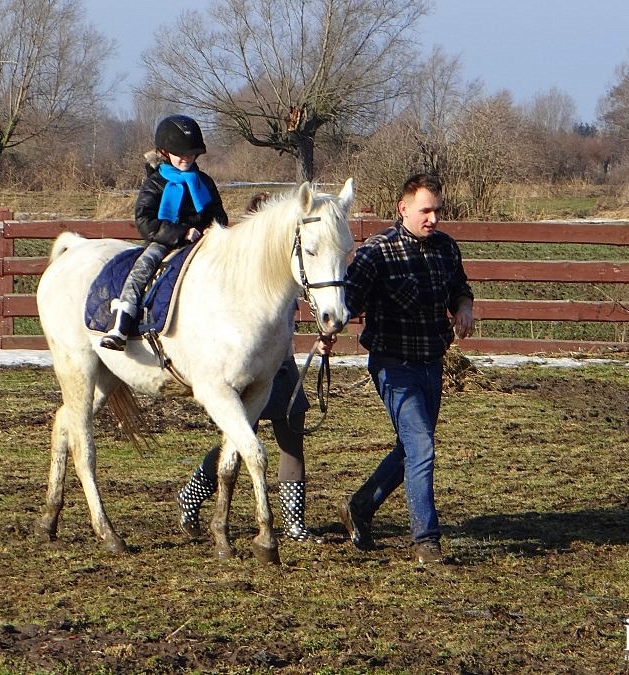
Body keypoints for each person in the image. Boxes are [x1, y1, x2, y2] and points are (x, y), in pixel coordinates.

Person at [337, 173, 475, 563]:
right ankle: (426, 540)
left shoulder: (446, 248)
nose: (433, 219)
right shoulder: (376, 252)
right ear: (403, 208)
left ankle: (360, 507)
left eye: (437, 211)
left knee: (412, 449)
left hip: (433, 362)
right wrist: (328, 330)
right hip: (392, 364)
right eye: (425, 210)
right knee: (422, 447)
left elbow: (459, 287)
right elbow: (347, 300)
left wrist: (464, 306)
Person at [175, 192, 319, 543]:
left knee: (291, 442)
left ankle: (294, 522)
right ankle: (192, 495)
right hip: (249, 371)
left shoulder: (285, 273)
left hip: (281, 368)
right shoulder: (243, 276)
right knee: (237, 443)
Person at [100, 114, 228, 350]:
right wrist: (181, 232)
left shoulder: (204, 182)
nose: (186, 158)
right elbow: (145, 221)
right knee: (143, 266)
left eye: (191, 154)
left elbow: (218, 214)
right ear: (165, 152)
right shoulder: (155, 183)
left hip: (204, 242)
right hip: (166, 241)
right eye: (181, 154)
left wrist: (213, 227)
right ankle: (121, 323)